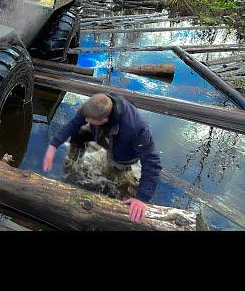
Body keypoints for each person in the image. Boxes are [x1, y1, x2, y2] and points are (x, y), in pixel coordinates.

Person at [42, 93, 161, 223]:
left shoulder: (136, 128)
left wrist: (142, 198)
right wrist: (53, 145)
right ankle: (73, 163)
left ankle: (120, 179)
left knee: (114, 175)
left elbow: (152, 162)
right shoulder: (96, 105)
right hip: (102, 132)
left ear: (104, 119)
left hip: (124, 152)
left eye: (89, 118)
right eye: (86, 117)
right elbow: (74, 124)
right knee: (80, 132)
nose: (85, 120)